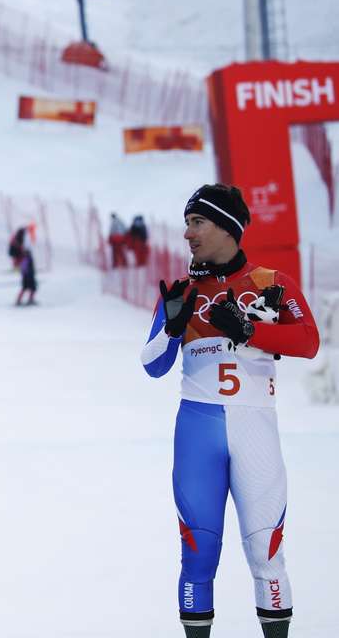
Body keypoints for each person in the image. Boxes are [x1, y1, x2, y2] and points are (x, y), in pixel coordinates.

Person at [140, 184, 319, 638]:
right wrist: (173, 328)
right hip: (198, 428)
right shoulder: (182, 291)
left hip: (255, 426)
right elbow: (153, 365)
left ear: (226, 227)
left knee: (266, 550)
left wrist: (250, 330)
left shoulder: (271, 283)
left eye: (197, 223)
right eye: (187, 223)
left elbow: (308, 341)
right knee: (197, 552)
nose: (187, 234)